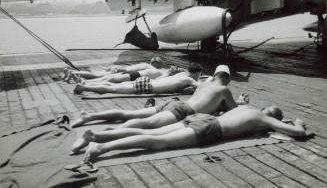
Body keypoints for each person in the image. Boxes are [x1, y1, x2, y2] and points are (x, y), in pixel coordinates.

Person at [73, 105, 310, 162]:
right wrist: (298, 121)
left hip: (204, 118)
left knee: (152, 130)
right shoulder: (263, 118)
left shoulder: (246, 108)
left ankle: (97, 135)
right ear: (274, 117)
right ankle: (100, 147)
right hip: (210, 128)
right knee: (158, 142)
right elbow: (298, 133)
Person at [70, 65, 249, 129]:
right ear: (226, 78)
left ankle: (90, 115)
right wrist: (240, 101)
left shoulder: (204, 84)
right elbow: (234, 109)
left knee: (129, 111)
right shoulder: (223, 89)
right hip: (182, 110)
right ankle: (109, 133)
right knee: (144, 123)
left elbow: (205, 95)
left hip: (173, 103)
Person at [73, 64, 203, 95]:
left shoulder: (181, 75)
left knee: (114, 84)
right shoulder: (190, 80)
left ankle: (86, 83)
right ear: (197, 73)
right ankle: (84, 87)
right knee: (113, 88)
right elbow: (200, 87)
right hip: (148, 86)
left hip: (148, 81)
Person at [63, 56, 164, 83]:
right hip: (120, 71)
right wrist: (117, 70)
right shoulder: (148, 67)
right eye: (159, 65)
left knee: (94, 74)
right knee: (95, 76)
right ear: (155, 64)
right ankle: (72, 73)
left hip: (119, 69)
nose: (159, 67)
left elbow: (132, 68)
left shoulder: (145, 64)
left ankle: (71, 72)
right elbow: (131, 69)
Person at [81, 65, 185, 85]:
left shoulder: (165, 75)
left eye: (177, 69)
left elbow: (158, 80)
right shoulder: (161, 70)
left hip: (136, 76)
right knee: (108, 78)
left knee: (111, 79)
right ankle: (87, 82)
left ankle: (87, 83)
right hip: (135, 74)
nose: (175, 67)